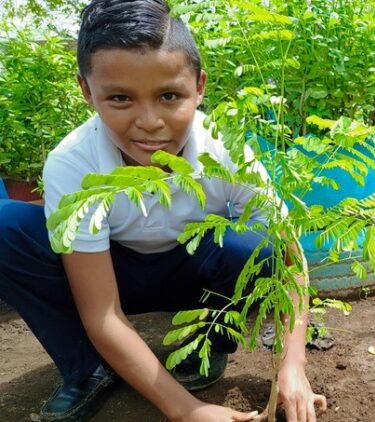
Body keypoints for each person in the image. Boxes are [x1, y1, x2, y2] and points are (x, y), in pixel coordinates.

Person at [0, 1, 326, 421]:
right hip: (108, 277)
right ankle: (86, 367)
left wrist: (292, 366)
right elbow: (102, 311)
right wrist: (185, 410)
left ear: (200, 86)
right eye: (120, 98)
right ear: (87, 91)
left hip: (195, 275)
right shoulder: (74, 162)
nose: (149, 122)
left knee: (258, 243)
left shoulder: (220, 147)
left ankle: (205, 345)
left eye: (169, 95)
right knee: (6, 227)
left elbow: (290, 253)